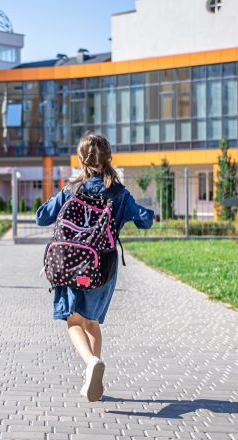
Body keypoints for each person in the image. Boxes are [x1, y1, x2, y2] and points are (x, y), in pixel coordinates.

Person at [36, 132, 154, 402]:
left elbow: (41, 217)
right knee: (91, 321)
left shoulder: (71, 189)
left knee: (72, 320)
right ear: (108, 158)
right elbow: (145, 220)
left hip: (68, 264)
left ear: (81, 160)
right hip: (101, 268)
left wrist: (60, 195)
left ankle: (91, 363)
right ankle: (93, 375)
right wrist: (145, 214)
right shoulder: (120, 194)